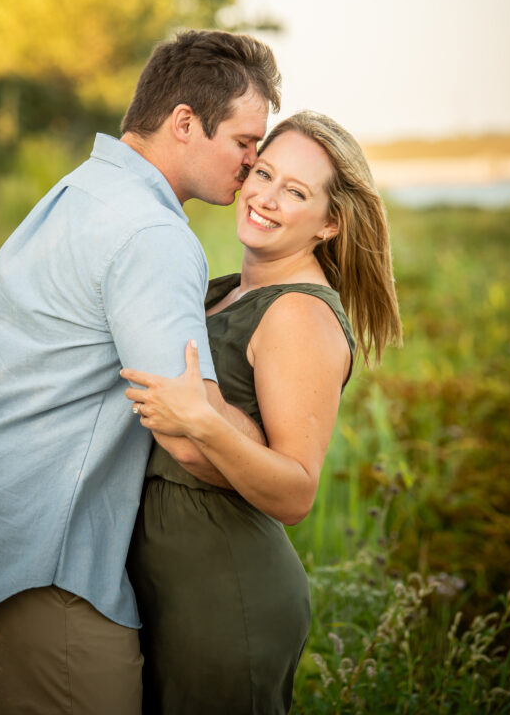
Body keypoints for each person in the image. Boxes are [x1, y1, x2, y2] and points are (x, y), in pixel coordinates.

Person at [0, 29, 281, 715]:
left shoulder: (77, 194)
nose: (254, 163)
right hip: (53, 562)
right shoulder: (152, 234)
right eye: (244, 142)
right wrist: (280, 456)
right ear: (184, 123)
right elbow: (190, 435)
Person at [123, 110, 403, 715]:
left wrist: (202, 422)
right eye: (265, 173)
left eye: (296, 191)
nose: (267, 198)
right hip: (164, 584)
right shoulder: (227, 289)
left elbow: (296, 492)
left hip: (226, 595)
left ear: (330, 223)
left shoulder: (299, 315)